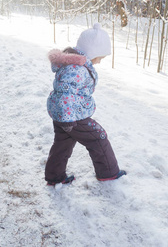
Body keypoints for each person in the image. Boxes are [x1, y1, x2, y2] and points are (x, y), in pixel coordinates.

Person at [45, 23, 126, 186]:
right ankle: (108, 172)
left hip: (63, 114)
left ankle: (55, 176)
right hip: (72, 116)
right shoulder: (78, 69)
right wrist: (68, 120)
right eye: (100, 57)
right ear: (93, 52)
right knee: (98, 137)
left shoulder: (74, 64)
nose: (100, 61)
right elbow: (65, 93)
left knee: (62, 144)